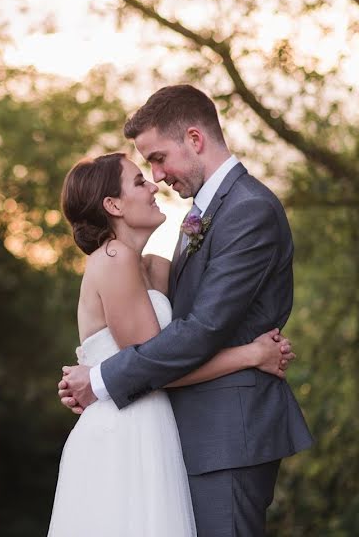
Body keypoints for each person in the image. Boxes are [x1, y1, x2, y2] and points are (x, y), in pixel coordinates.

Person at [58, 85, 314, 536]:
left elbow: (202, 329)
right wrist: (252, 354)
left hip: (226, 435)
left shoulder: (247, 210)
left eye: (157, 159)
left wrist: (100, 379)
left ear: (194, 139)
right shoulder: (195, 218)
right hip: (178, 434)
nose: (156, 176)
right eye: (145, 170)